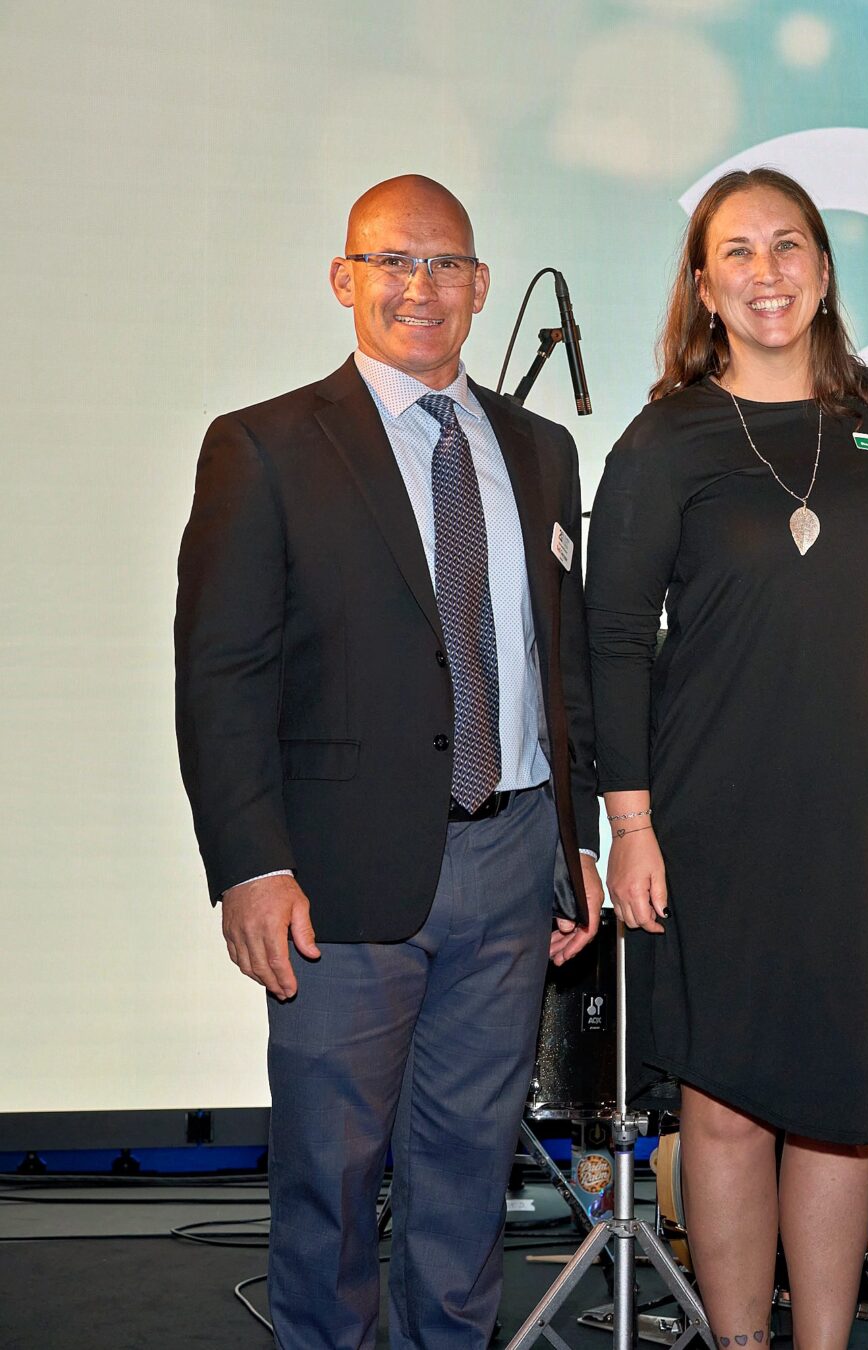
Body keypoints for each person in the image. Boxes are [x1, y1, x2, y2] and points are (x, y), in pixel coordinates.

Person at [174, 175, 603, 1349]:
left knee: (466, 1178)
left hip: (514, 863)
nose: (421, 286)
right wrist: (249, 867)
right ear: (343, 278)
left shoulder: (542, 452)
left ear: (479, 287)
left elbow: (556, 671)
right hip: (337, 879)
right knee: (330, 1175)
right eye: (394, 261)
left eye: (446, 265)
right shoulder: (262, 447)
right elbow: (221, 677)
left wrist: (576, 846)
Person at [588, 168, 868, 1350]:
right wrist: (632, 825)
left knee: (848, 1112)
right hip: (717, 817)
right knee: (728, 1104)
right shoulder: (665, 438)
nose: (767, 271)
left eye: (788, 245)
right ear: (703, 287)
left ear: (821, 268)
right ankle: (739, 1341)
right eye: (737, 252)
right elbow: (610, 637)